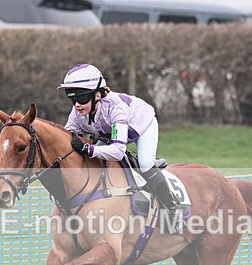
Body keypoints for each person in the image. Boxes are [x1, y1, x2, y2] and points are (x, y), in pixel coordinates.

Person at [57, 63, 181, 229]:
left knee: (145, 164)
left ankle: (173, 209)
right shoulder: (77, 113)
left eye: (81, 98)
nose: (77, 105)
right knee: (93, 161)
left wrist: (89, 148)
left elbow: (117, 151)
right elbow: (68, 139)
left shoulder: (116, 108)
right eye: (72, 99)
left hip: (142, 125)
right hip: (109, 134)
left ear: (98, 96)